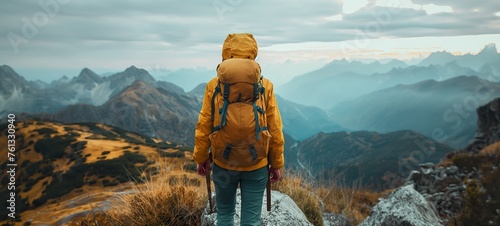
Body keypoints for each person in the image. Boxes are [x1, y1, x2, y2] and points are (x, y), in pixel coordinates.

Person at [193, 33, 285, 226]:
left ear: (226, 53)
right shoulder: (265, 86)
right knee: (250, 221)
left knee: (225, 215)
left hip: (223, 161)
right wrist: (276, 163)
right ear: (253, 53)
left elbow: (204, 125)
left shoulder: (213, 85)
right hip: (256, 163)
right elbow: (275, 127)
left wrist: (201, 158)